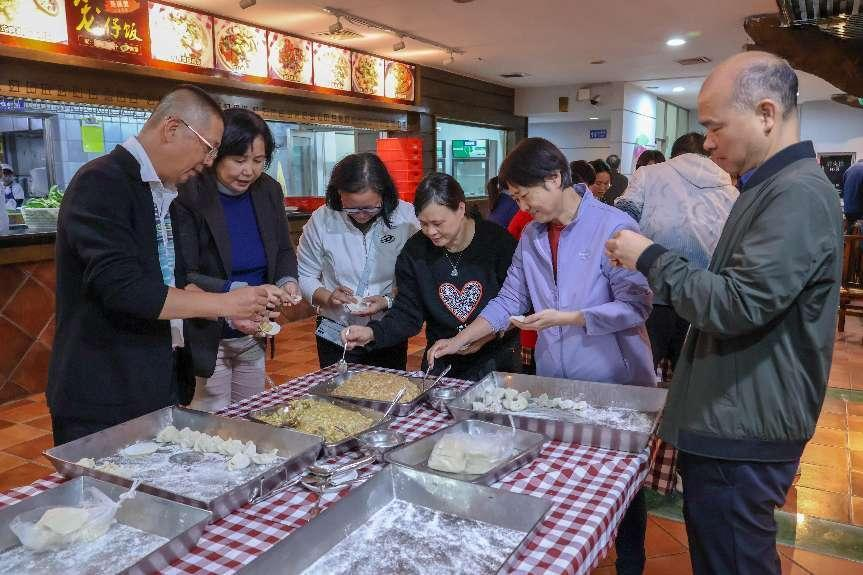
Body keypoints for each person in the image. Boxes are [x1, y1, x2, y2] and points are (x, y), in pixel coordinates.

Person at [605, 52, 843, 575]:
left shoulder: (797, 193)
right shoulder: (769, 187)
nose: (707, 141)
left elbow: (737, 303)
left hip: (746, 422)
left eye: (714, 126)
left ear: (765, 113)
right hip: (736, 411)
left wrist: (650, 256)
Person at [428, 138, 655, 575]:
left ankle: (631, 564)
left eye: (523, 195)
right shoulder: (531, 235)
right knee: (569, 479)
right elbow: (510, 297)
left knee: (621, 485)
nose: (520, 206)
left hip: (613, 380)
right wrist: (461, 339)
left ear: (555, 178)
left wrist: (570, 318)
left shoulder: (613, 227)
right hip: (556, 382)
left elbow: (636, 306)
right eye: (513, 198)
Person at [48, 85, 276, 445]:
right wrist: (225, 302)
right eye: (208, 147)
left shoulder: (164, 191)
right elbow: (125, 289)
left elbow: (177, 281)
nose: (207, 160)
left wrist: (227, 315)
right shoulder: (102, 182)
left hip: (157, 379)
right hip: (106, 386)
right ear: (172, 128)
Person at [174, 108, 301, 412]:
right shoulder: (189, 193)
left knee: (250, 413)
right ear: (216, 153)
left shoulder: (269, 190)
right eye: (239, 160)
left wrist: (287, 281)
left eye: (258, 161)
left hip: (255, 329)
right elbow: (186, 273)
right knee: (213, 419)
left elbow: (283, 248)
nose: (249, 171)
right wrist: (242, 292)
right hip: (208, 332)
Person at [343, 173, 520, 381]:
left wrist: (485, 336)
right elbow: (407, 313)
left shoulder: (497, 243)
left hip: (497, 358)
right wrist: (372, 333)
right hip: (441, 358)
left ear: (461, 209)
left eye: (438, 223)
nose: (431, 232)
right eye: (423, 224)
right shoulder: (415, 252)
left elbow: (517, 304)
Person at [615, 132, 738, 380]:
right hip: (702, 297)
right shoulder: (730, 190)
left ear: (673, 155)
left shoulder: (649, 174)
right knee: (691, 378)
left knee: (641, 375)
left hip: (650, 293)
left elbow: (621, 220)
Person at [297, 153, 419, 370]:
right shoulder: (322, 219)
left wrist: (388, 300)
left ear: (384, 194)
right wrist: (328, 297)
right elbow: (305, 274)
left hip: (386, 328)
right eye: (351, 207)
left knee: (386, 391)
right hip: (336, 328)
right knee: (339, 396)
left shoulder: (406, 218)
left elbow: (417, 277)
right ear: (338, 194)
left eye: (371, 207)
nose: (361, 214)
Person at [843, 159, 863, 234]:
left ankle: (848, 244)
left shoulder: (848, 170)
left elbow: (844, 189)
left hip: (848, 211)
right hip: (860, 211)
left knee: (849, 238)